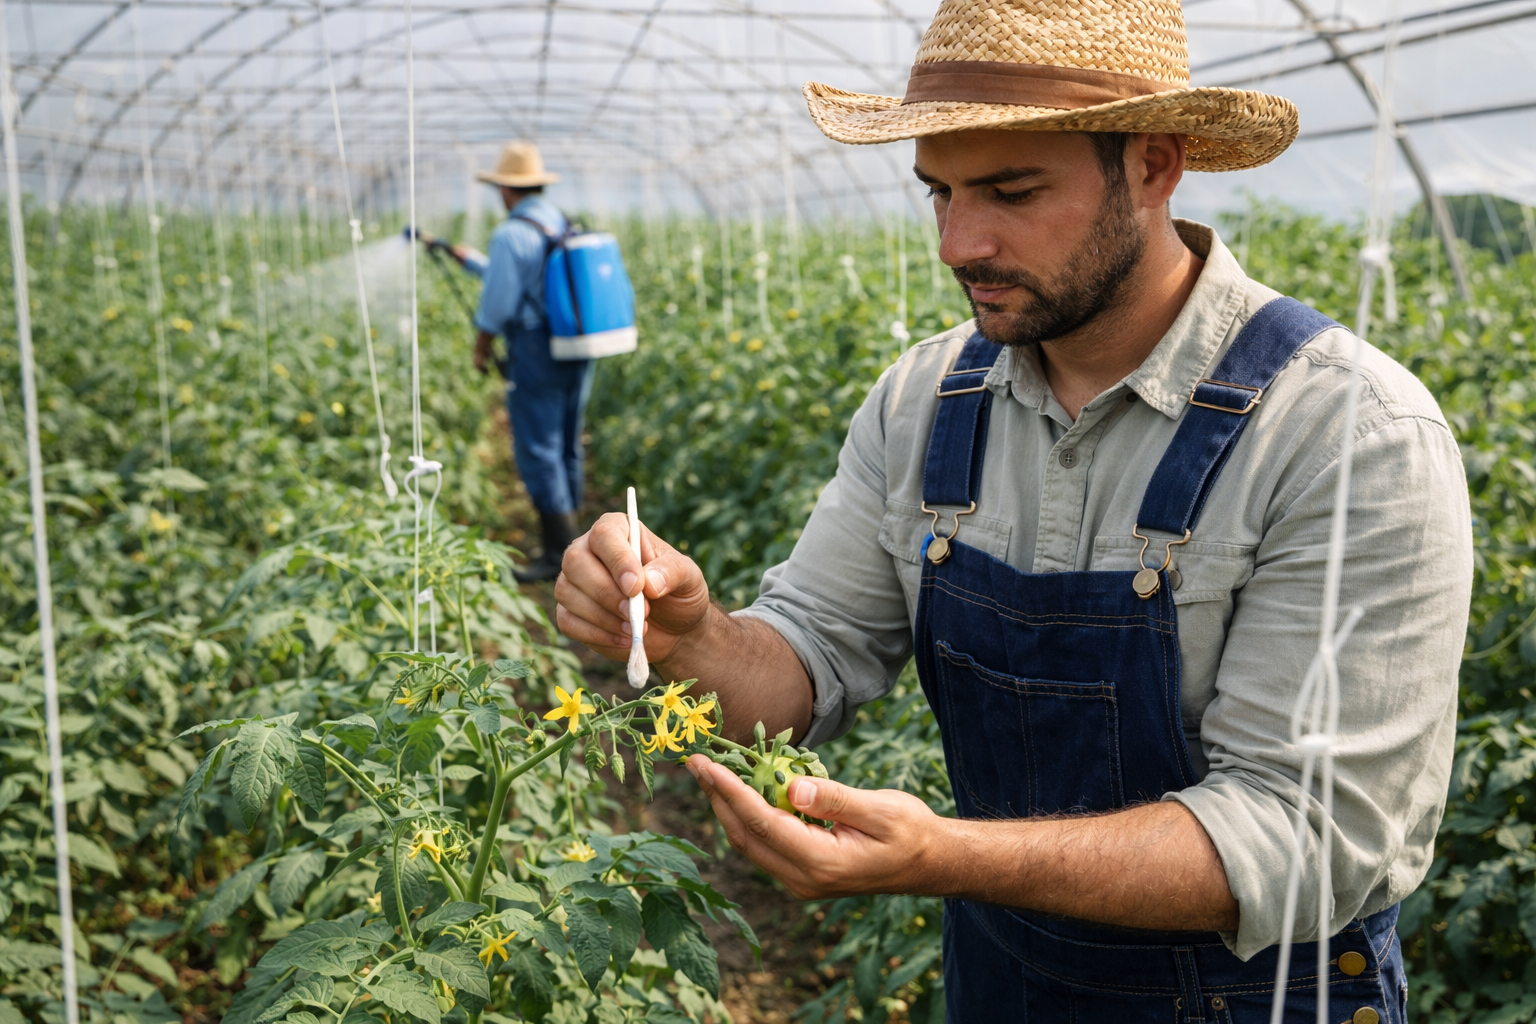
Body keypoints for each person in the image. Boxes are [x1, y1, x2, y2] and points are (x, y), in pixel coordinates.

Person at [556, 0, 1472, 1019]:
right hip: (1002, 983)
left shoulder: (1344, 430)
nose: (959, 242)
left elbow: (1308, 834)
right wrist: (691, 636)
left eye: (1012, 190)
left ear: (1154, 166)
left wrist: (948, 856)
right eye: (939, 192)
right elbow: (806, 662)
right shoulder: (924, 401)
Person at [425, 141, 592, 582]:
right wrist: (470, 262)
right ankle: (577, 542)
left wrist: (481, 347)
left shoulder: (511, 233)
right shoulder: (559, 222)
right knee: (566, 441)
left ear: (505, 189)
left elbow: (498, 305)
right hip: (576, 342)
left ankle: (559, 554)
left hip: (536, 348)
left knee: (538, 448)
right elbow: (529, 279)